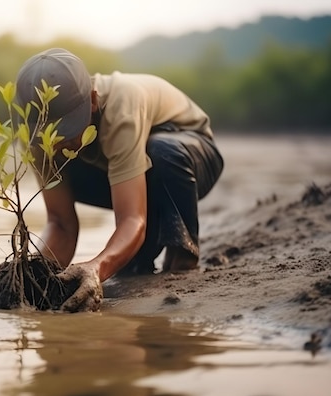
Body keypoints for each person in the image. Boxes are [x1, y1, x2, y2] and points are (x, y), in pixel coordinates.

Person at [16, 48, 224, 312]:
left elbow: (132, 219)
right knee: (132, 269)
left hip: (188, 154)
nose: (58, 142)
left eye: (68, 130)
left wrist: (96, 267)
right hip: (131, 175)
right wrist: (31, 276)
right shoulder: (36, 140)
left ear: (93, 100)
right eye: (50, 134)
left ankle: (182, 256)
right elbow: (60, 224)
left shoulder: (122, 106)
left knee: (163, 150)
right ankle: (142, 255)